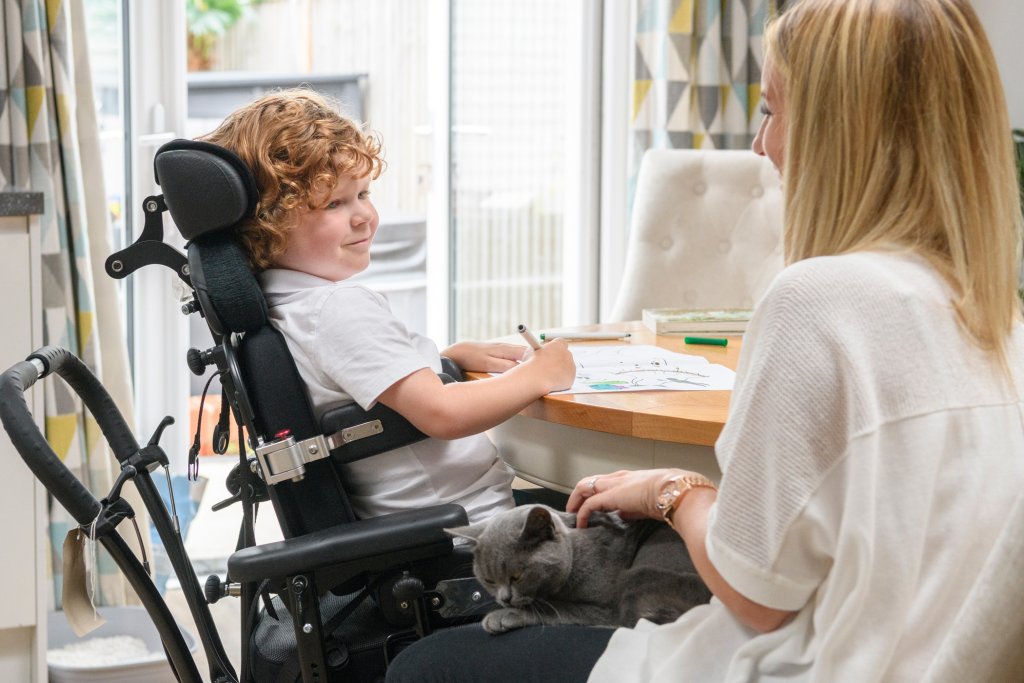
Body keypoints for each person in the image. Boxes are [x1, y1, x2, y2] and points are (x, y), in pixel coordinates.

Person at [384, 0, 1024, 680]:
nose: (760, 145)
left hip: (802, 662)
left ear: (844, 134)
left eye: (772, 112)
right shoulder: (996, 317)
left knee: (422, 666)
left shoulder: (815, 301)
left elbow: (757, 595)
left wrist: (675, 491)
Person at [200, 90, 575, 523]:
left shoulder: (285, 305)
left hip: (439, 521)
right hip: (475, 527)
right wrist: (540, 374)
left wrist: (442, 360)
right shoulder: (336, 308)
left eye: (363, 193)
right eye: (335, 203)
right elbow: (443, 413)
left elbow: (355, 387)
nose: (364, 216)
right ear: (268, 223)